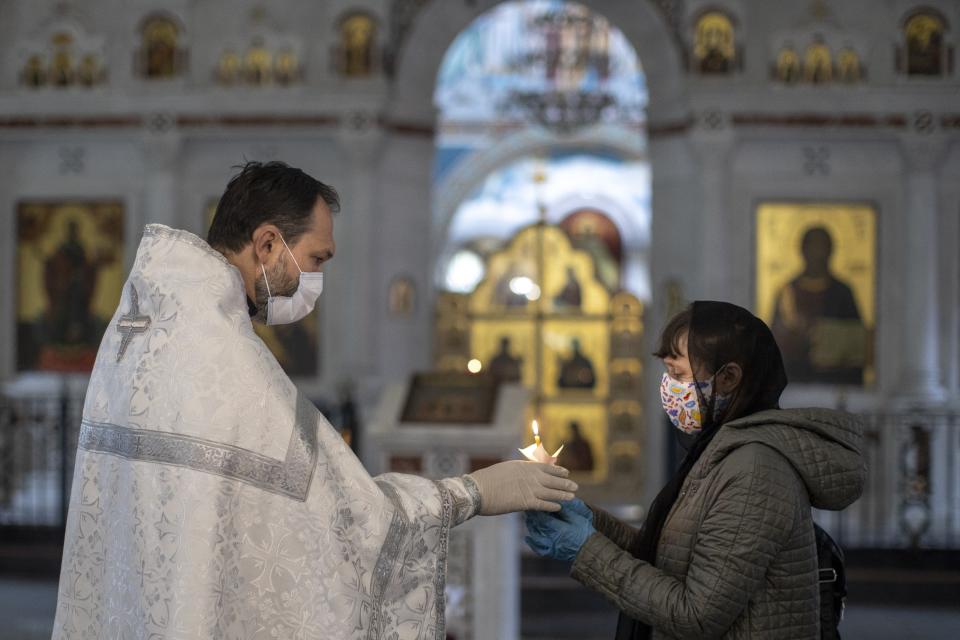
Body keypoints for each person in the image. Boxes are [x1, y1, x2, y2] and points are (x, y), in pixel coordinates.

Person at [52, 161, 577, 639]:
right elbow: (348, 516)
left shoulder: (143, 328)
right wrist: (474, 492)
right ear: (267, 244)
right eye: (315, 258)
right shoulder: (223, 353)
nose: (318, 278)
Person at [525, 301, 866, 639]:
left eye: (678, 375)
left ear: (729, 377)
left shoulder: (755, 471)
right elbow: (667, 557)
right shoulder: (720, 450)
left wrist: (585, 549)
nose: (669, 389)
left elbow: (696, 616)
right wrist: (590, 522)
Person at [771, 226, 867, 385]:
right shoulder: (787, 291)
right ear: (802, 250)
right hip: (795, 377)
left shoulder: (842, 292)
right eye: (812, 246)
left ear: (831, 251)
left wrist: (821, 333)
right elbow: (773, 340)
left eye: (822, 247)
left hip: (835, 379)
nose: (817, 253)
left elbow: (856, 341)